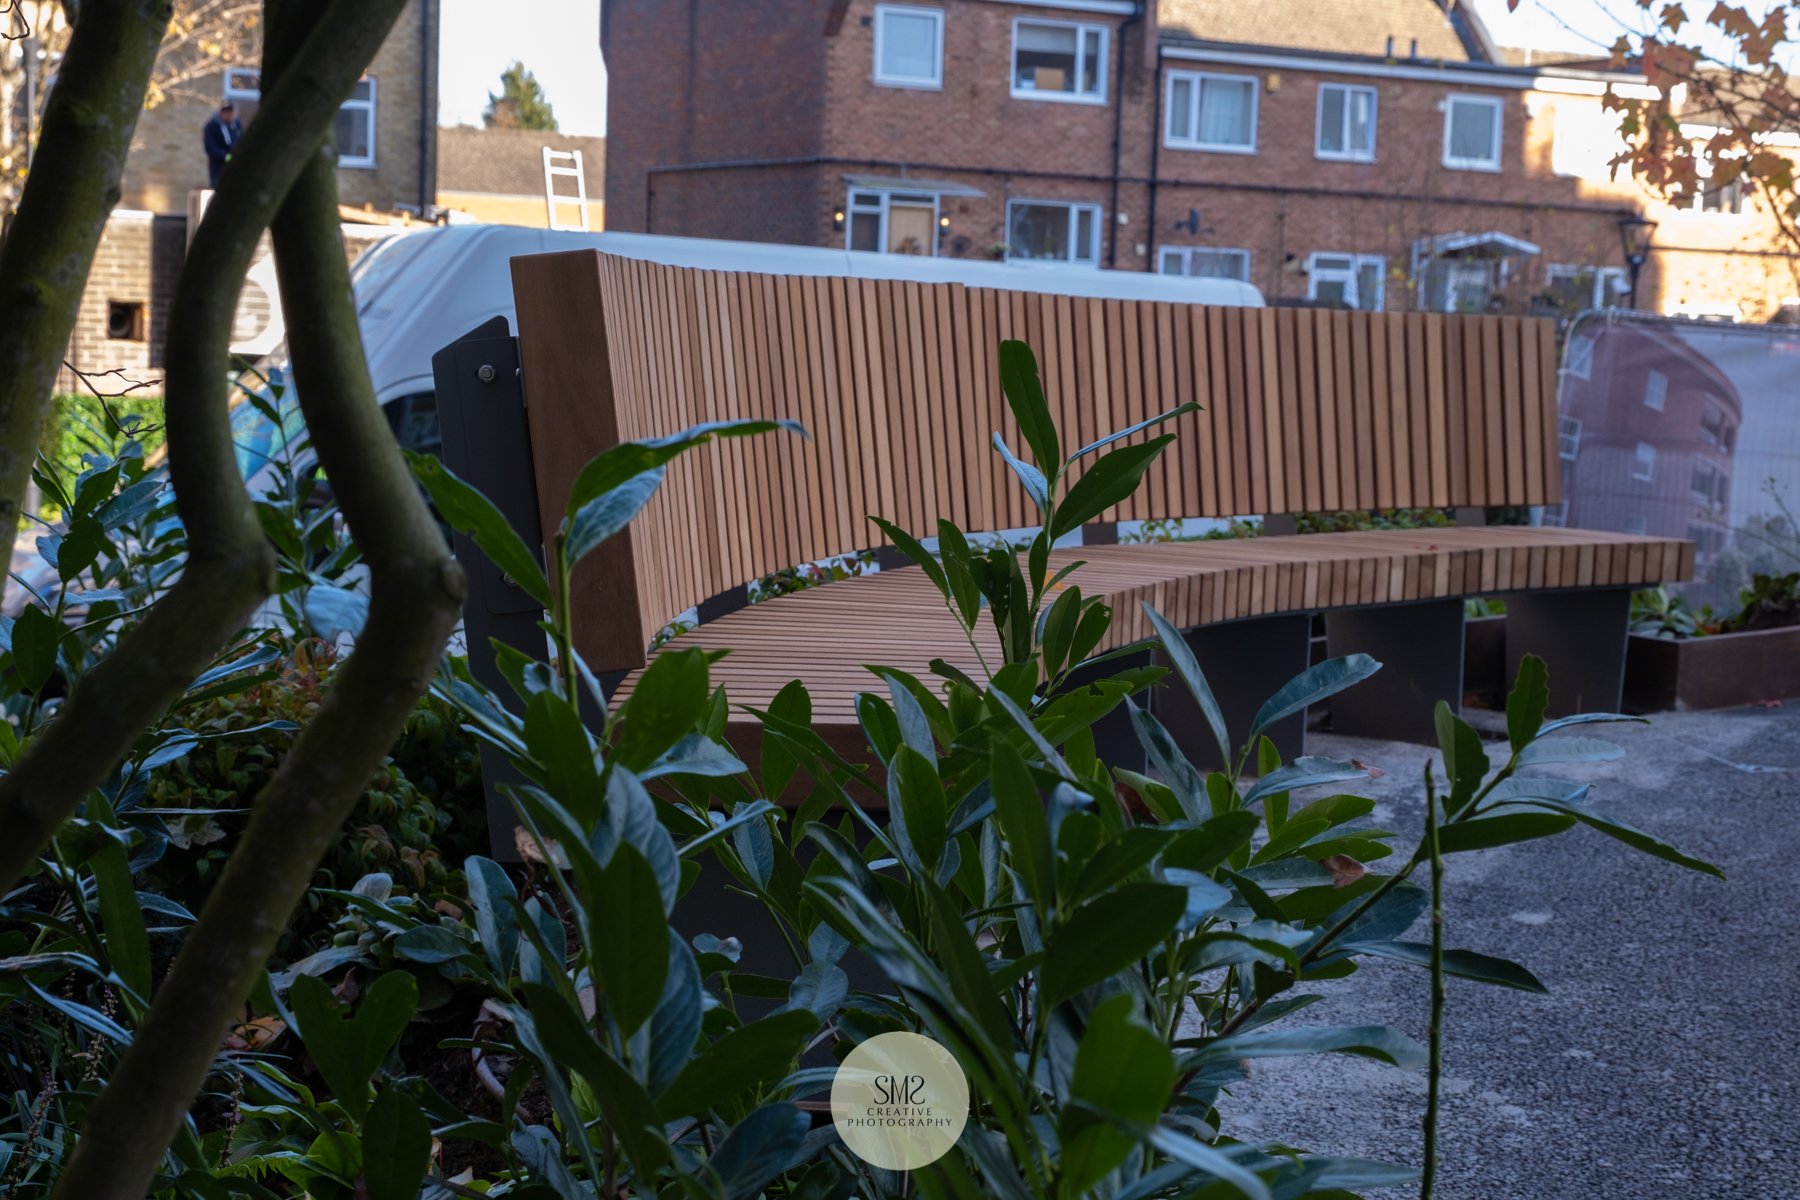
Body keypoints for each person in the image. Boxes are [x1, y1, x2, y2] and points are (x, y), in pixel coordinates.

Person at [202, 101, 242, 188]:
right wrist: (226, 156)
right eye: (227, 112)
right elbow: (210, 148)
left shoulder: (236, 125)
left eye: (231, 112)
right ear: (222, 113)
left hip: (235, 171)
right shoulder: (211, 127)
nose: (230, 115)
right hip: (218, 171)